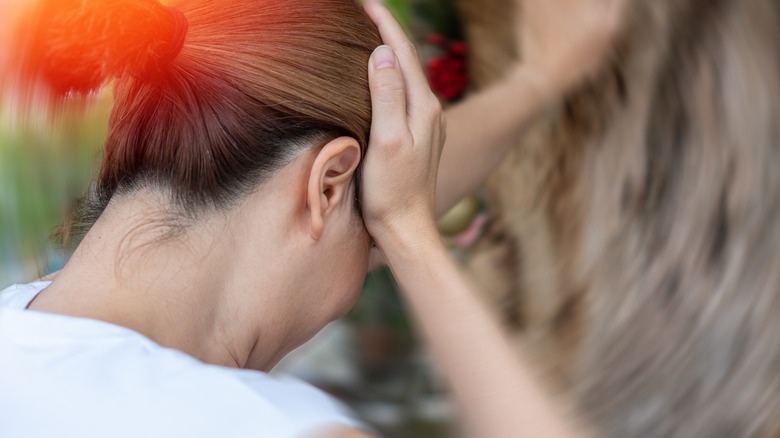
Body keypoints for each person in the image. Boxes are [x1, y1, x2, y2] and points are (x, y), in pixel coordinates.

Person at [0, 0, 625, 436]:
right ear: (326, 185)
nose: (381, 243)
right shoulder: (258, 427)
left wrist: (541, 80)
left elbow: (353, 198)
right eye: (375, 238)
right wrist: (410, 233)